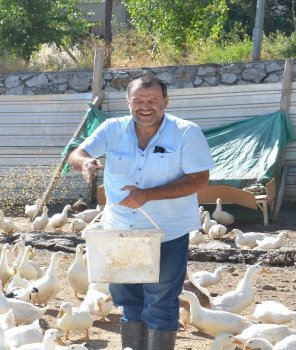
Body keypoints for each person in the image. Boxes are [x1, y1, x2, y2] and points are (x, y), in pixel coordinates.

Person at [67, 76, 215, 350]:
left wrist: (147, 195)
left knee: (161, 302)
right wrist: (85, 162)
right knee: (128, 300)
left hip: (167, 234)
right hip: (120, 232)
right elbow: (76, 153)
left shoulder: (186, 132)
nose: (145, 107)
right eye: (138, 101)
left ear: (165, 102)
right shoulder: (112, 128)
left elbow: (199, 180)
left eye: (152, 101)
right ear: (128, 102)